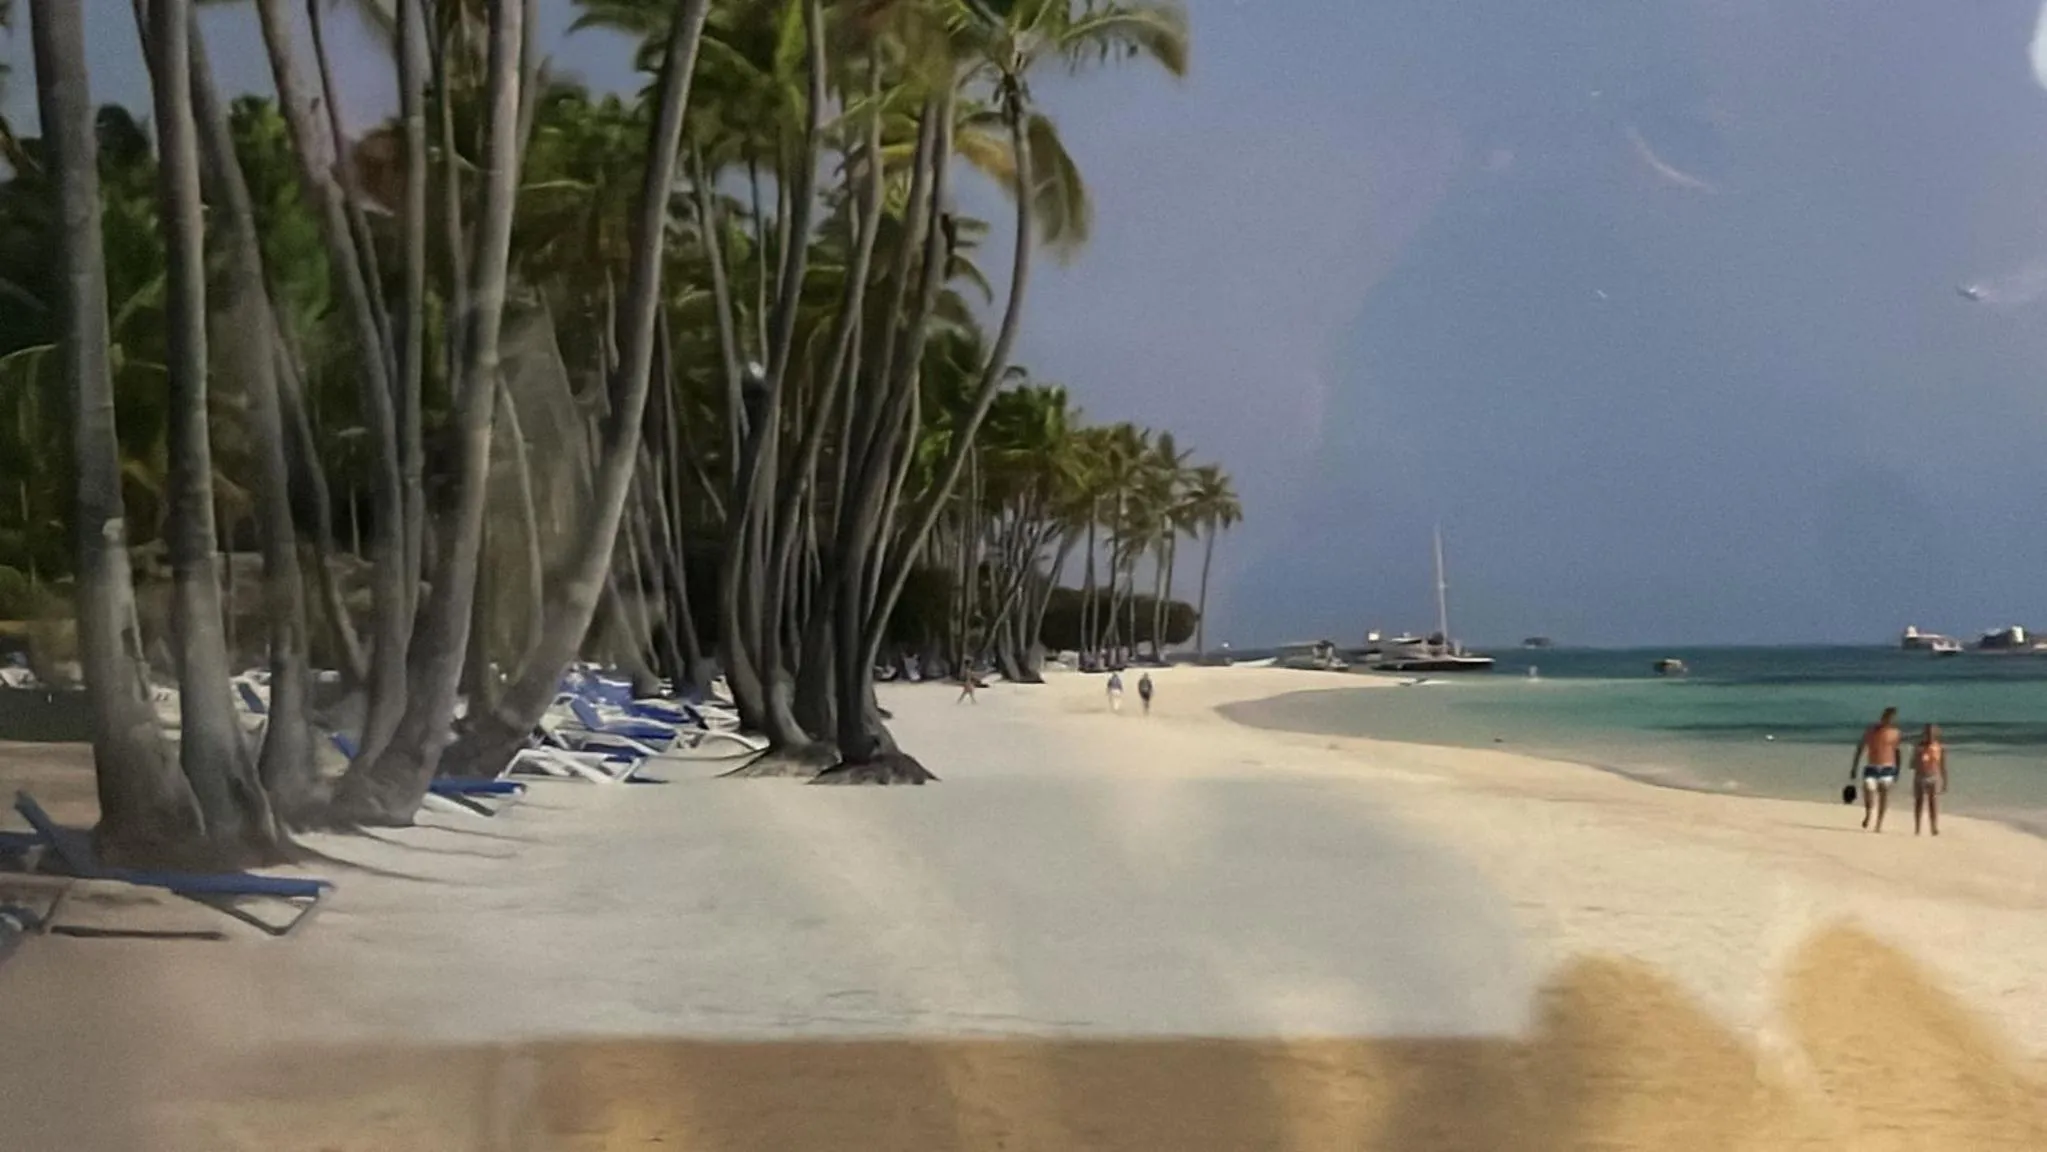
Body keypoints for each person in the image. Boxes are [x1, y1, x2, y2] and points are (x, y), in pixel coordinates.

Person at [1850, 706, 1903, 832]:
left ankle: (1879, 823)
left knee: (1884, 792)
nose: (1888, 721)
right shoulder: (1871, 731)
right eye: (1887, 718)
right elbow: (1860, 748)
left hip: (1888, 767)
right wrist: (1854, 766)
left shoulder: (1895, 733)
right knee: (1868, 788)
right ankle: (1868, 813)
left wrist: (1897, 770)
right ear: (1882, 717)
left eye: (1891, 719)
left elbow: (1897, 752)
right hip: (1872, 766)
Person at [1912, 723, 1948, 836]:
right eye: (1927, 733)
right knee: (1919, 803)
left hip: (1933, 776)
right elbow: (1912, 764)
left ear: (1936, 734)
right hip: (1920, 776)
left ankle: (1934, 827)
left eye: (1932, 733)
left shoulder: (1940, 748)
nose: (1929, 735)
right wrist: (1919, 756)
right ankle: (1917, 828)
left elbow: (1943, 766)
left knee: (1933, 803)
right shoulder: (1918, 747)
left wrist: (1945, 781)